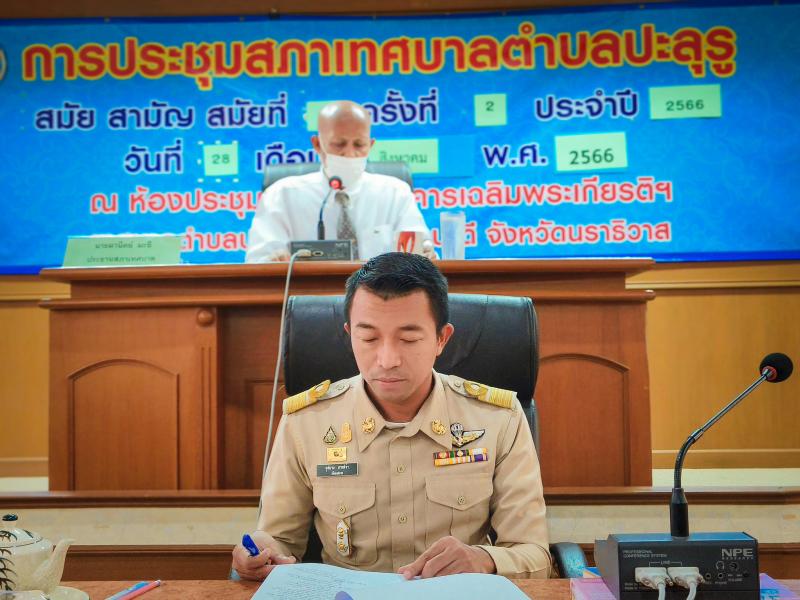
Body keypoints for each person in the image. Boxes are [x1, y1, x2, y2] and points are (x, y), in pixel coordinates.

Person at [232, 253, 551, 580]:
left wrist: (483, 560)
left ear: (441, 339)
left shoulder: (498, 419)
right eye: (369, 338)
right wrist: (261, 553)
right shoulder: (306, 423)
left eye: (409, 339)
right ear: (349, 335)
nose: (387, 360)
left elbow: (534, 555)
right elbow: (280, 540)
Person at [245, 101, 434, 262]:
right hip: (307, 293)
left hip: (383, 293)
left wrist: (426, 255)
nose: (349, 153)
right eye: (339, 144)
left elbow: (422, 258)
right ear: (317, 144)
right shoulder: (281, 195)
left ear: (371, 145)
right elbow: (258, 264)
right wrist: (274, 261)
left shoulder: (395, 193)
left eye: (359, 144)